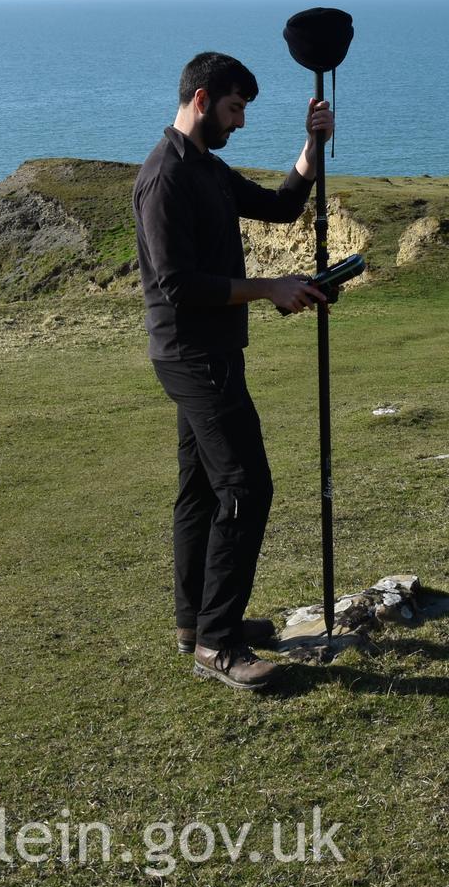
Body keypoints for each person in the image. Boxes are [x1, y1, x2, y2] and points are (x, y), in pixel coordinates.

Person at [134, 51, 334, 691]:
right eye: (234, 108)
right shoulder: (165, 177)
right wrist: (268, 286)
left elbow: (279, 207)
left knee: (199, 489)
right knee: (247, 487)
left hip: (213, 351)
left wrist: (312, 146)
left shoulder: (209, 170)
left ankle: (195, 623)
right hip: (192, 355)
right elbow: (178, 285)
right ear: (200, 100)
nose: (240, 121)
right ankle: (219, 644)